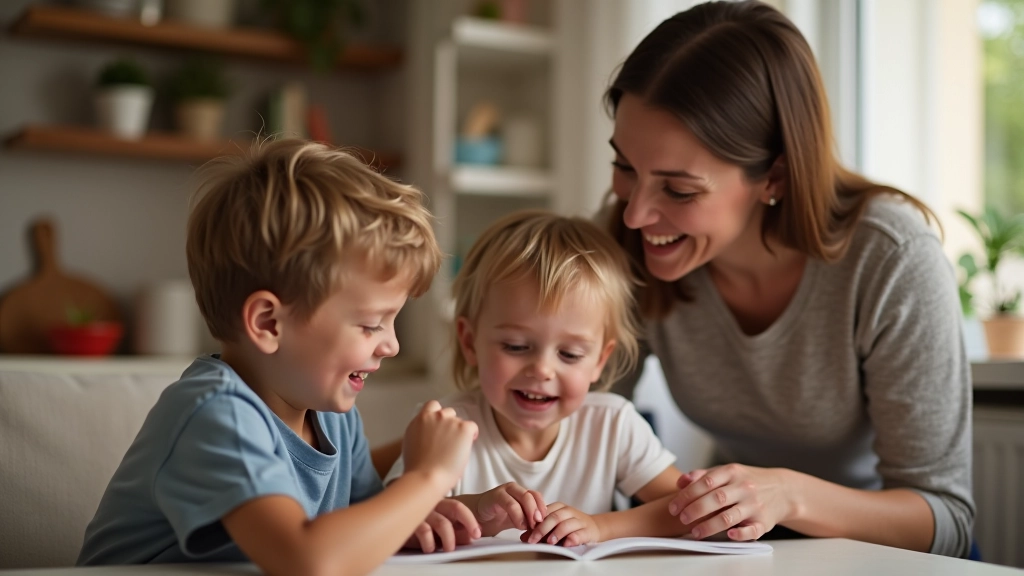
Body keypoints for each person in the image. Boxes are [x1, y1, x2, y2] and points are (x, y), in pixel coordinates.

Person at [603, 0, 974, 558]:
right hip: (744, 546)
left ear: (774, 175)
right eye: (624, 167)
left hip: (880, 551)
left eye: (679, 190)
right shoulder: (623, 238)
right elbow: (572, 424)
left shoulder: (891, 259)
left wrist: (788, 496)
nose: (635, 215)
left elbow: (946, 518)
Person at [77, 139, 481, 573]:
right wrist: (429, 477)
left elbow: (363, 524)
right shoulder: (216, 414)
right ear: (269, 323)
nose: (392, 345)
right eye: (370, 324)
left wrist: (461, 514)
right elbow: (307, 560)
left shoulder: (331, 415)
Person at [386, 210, 689, 547]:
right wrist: (478, 512)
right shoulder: (444, 426)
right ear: (470, 342)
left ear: (600, 360)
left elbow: (688, 509)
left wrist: (601, 527)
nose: (542, 370)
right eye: (516, 346)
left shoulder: (613, 424)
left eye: (570, 354)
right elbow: (390, 523)